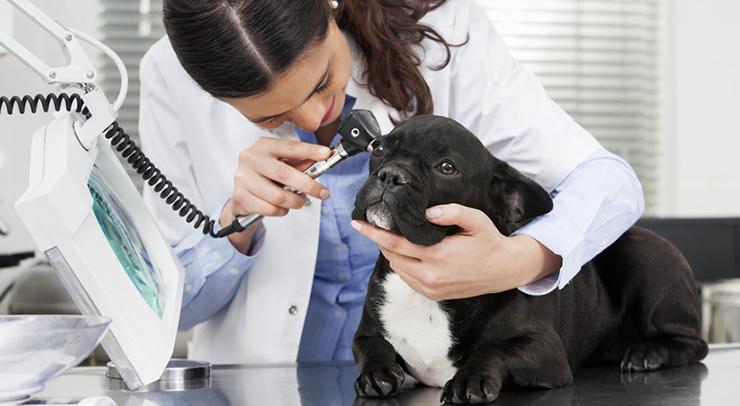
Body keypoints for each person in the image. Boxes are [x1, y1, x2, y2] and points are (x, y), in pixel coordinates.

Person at [140, 0, 644, 364]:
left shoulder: (441, 31)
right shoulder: (169, 74)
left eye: (322, 81)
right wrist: (236, 224)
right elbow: (167, 313)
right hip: (262, 387)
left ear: (330, 10)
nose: (317, 116)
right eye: (270, 116)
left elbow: (612, 184)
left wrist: (517, 261)